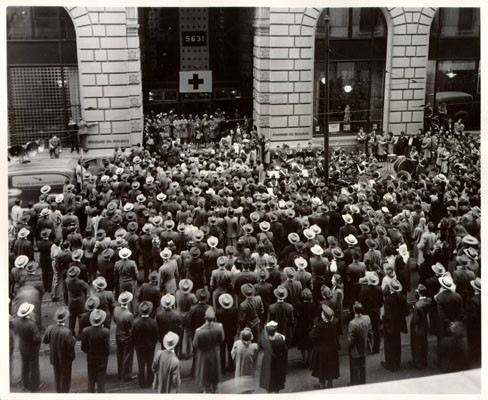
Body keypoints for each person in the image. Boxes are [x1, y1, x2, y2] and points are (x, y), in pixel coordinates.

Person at [43, 306, 76, 393]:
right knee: (66, 379)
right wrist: (74, 339)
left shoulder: (50, 328)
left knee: (57, 378)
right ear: (65, 319)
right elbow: (71, 345)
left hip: (54, 357)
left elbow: (45, 340)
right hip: (65, 359)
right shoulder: (67, 331)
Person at [193, 306, 225, 393]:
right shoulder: (219, 327)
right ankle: (214, 387)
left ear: (205, 317)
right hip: (215, 352)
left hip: (204, 354)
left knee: (204, 372)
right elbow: (221, 339)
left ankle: (205, 389)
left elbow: (195, 344)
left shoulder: (199, 331)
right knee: (215, 370)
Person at [309, 303, 340, 389]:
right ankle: (330, 383)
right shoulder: (335, 322)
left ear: (324, 316)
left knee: (322, 368)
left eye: (322, 313)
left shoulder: (319, 326)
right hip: (333, 348)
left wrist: (314, 327)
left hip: (322, 349)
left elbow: (311, 336)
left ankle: (322, 384)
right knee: (331, 367)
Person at [381, 279, 409, 372]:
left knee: (389, 345)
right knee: (397, 343)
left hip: (390, 326)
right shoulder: (402, 297)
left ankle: (390, 364)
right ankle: (397, 363)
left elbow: (387, 316)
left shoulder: (388, 300)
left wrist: (383, 319)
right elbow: (406, 312)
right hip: (399, 324)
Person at [14, 302, 42, 392]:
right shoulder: (31, 324)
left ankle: (25, 384)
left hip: (22, 347)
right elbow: (37, 338)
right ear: (29, 313)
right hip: (32, 349)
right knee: (34, 366)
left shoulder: (17, 322)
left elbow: (16, 332)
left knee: (24, 366)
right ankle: (34, 386)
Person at [81, 309, 110, 393]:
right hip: (102, 358)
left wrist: (89, 352)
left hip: (91, 357)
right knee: (101, 378)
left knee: (91, 377)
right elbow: (107, 347)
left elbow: (83, 347)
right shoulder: (105, 331)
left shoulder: (86, 331)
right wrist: (105, 355)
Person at [132, 301, 159, 388]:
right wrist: (153, 343)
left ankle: (141, 383)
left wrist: (136, 344)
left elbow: (133, 336)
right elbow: (156, 336)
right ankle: (150, 381)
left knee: (141, 364)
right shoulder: (153, 322)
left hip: (139, 346)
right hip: (150, 346)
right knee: (149, 363)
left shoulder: (135, 322)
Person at [259, 320, 288, 393]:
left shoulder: (264, 341)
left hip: (267, 362)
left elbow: (260, 346)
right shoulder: (280, 340)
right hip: (277, 362)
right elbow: (285, 351)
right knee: (277, 381)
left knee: (268, 381)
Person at [348, 301, 372, 385]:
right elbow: (370, 331)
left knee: (355, 368)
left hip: (355, 349)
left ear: (354, 310)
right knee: (363, 366)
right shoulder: (367, 318)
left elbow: (350, 340)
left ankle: (354, 383)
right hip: (364, 346)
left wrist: (349, 345)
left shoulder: (352, 323)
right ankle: (363, 382)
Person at [113, 291, 135, 381]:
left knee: (120, 355)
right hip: (126, 337)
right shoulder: (129, 315)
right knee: (128, 356)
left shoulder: (116, 309)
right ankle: (127, 375)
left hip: (118, 335)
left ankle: (120, 373)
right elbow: (131, 328)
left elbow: (115, 320)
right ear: (128, 302)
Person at [409, 284, 432, 369]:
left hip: (418, 326)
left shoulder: (417, 305)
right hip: (425, 324)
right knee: (424, 343)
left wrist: (411, 325)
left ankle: (417, 363)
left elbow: (415, 319)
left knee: (416, 345)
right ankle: (424, 361)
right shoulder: (429, 300)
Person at [231, 328, 259, 392]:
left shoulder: (237, 344)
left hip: (239, 368)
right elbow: (255, 358)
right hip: (250, 369)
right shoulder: (255, 346)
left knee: (240, 388)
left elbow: (233, 356)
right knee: (248, 389)